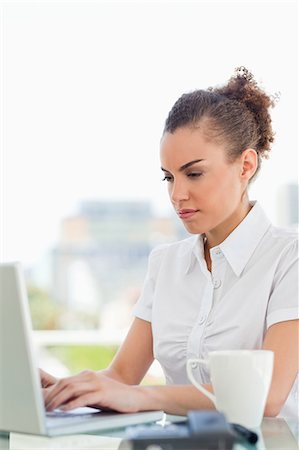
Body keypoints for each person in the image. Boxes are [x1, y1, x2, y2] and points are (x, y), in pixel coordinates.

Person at [41, 67, 298, 419]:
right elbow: (121, 377)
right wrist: (61, 390)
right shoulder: (166, 264)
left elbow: (267, 396)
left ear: (245, 165)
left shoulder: (289, 256)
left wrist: (144, 397)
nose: (177, 195)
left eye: (194, 173)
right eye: (168, 177)